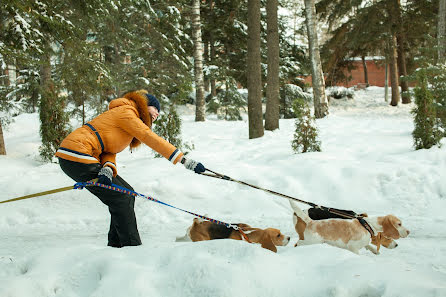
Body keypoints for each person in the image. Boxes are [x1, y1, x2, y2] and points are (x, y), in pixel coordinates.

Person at [55, 89, 205, 247]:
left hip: (80, 156)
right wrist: (184, 160)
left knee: (128, 193)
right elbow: (148, 136)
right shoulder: (127, 112)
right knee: (121, 197)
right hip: (76, 153)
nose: (157, 115)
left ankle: (116, 246)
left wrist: (107, 169)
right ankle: (132, 248)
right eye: (156, 109)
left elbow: (108, 151)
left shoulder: (125, 118)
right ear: (146, 104)